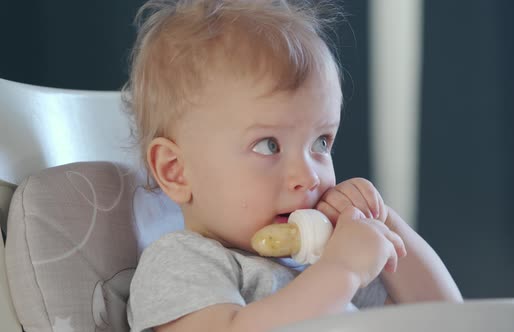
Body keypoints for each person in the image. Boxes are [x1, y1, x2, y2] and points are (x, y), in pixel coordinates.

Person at [124, 1, 462, 331]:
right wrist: (342, 271)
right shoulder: (180, 262)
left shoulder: (322, 254)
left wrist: (383, 223)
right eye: (269, 145)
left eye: (321, 143)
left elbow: (450, 319)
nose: (309, 176)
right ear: (175, 170)